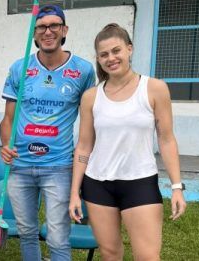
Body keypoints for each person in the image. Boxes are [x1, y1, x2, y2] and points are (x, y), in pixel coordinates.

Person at [69, 23, 187, 260]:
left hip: (140, 182)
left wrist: (176, 187)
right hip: (97, 184)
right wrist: (74, 192)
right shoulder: (91, 97)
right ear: (98, 59)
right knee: (110, 253)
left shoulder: (154, 89)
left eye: (116, 50)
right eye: (104, 54)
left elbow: (166, 140)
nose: (111, 58)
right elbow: (83, 146)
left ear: (129, 49)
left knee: (147, 256)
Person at [0, 5, 95, 261]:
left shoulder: (83, 71)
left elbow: (90, 122)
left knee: (57, 236)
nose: (48, 31)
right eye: (41, 26)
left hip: (59, 167)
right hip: (20, 166)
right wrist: (5, 144)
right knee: (27, 231)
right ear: (34, 33)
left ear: (64, 30)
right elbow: (8, 119)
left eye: (54, 25)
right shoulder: (19, 68)